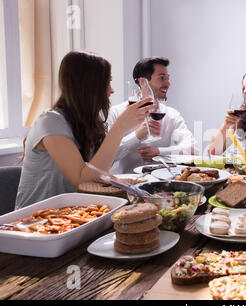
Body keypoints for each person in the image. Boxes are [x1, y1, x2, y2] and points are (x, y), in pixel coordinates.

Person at [15, 51, 152, 209]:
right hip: (35, 221)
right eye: (107, 83)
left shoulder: (88, 122)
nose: (111, 90)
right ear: (89, 86)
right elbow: (83, 181)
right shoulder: (50, 121)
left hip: (73, 213)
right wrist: (119, 128)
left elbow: (99, 167)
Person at [107, 57, 197, 174]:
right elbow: (107, 157)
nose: (168, 83)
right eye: (162, 78)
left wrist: (159, 151)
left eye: (168, 78)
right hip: (124, 186)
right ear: (143, 82)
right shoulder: (116, 113)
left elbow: (193, 149)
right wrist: (136, 137)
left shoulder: (172, 115)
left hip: (163, 186)